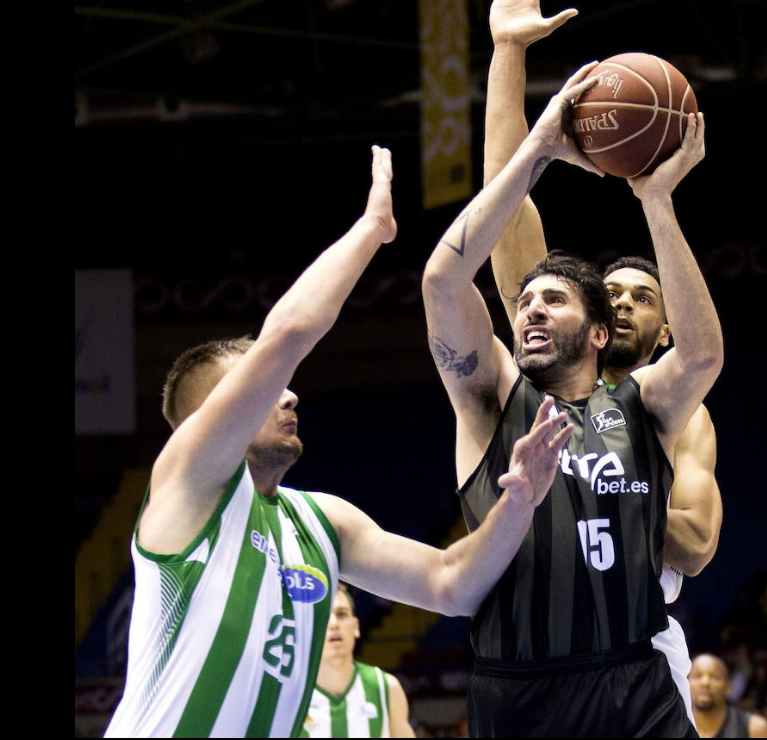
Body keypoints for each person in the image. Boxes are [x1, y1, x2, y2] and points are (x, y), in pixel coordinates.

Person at [105, 146, 575, 738]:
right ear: (210, 416)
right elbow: (291, 332)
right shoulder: (187, 486)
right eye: (267, 387)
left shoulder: (320, 521)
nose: (290, 396)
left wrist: (520, 500)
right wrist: (373, 229)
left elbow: (451, 583)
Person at [421, 30, 721, 740]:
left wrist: (615, 501)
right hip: (526, 675)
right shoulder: (506, 386)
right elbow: (494, 226)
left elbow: (698, 544)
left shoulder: (660, 408)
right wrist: (507, 57)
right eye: (607, 292)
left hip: (637, 651)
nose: (619, 303)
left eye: (639, 296)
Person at [304, 585, 415, 738]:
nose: (334, 624)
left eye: (341, 614)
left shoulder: (386, 687)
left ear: (355, 626)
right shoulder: (292, 691)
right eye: (325, 616)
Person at [689, 654, 767, 738]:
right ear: (686, 684)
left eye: (714, 677)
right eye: (697, 676)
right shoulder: (676, 727)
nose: (705, 682)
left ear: (729, 688)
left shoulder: (756, 729)